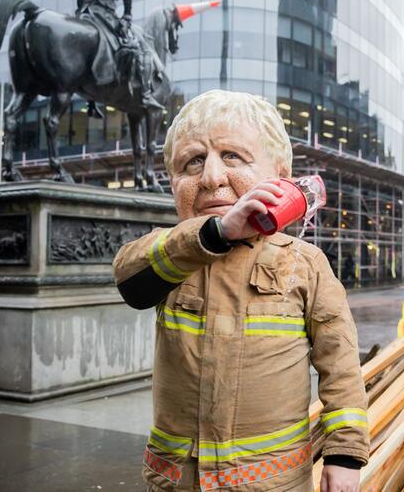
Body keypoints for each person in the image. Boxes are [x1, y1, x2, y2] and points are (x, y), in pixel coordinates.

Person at [113, 90, 367, 491]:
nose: (212, 176)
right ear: (174, 182)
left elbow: (341, 368)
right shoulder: (173, 253)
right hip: (180, 481)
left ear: (281, 176)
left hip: (271, 484)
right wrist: (216, 233)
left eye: (232, 156)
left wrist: (345, 454)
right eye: (193, 162)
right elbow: (130, 281)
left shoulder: (305, 264)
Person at [76, 0, 162, 113]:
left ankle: (91, 100)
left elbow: (79, 1)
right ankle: (145, 93)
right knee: (142, 49)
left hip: (85, 16)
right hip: (104, 14)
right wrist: (127, 16)